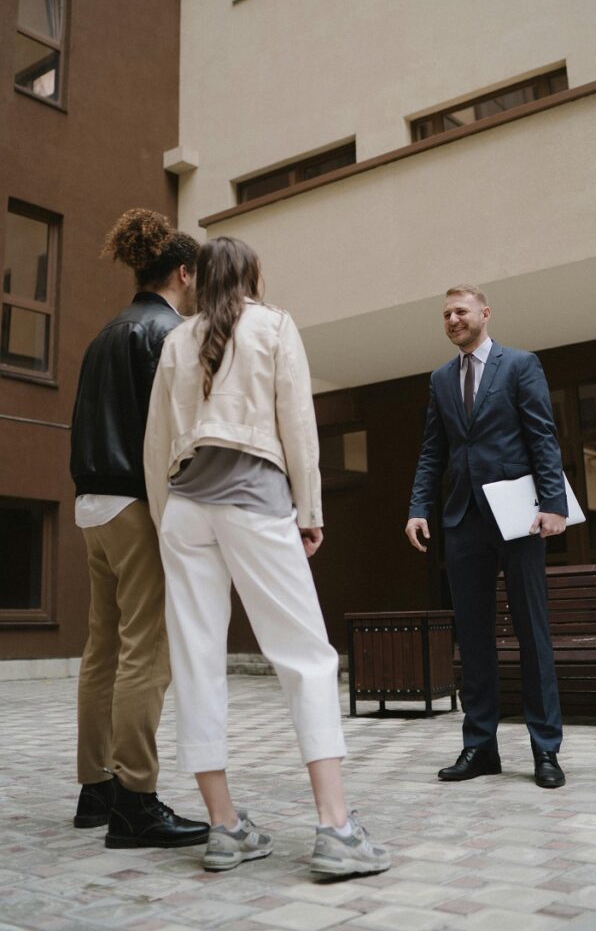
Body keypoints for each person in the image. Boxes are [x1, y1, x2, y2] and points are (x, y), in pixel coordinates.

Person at [144, 235, 390, 876]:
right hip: (255, 501)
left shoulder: (176, 340)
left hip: (184, 508)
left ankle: (224, 828)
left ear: (196, 280)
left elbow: (155, 445)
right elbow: (298, 425)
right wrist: (309, 510)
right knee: (306, 656)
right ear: (253, 276)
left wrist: (163, 519)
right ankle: (336, 829)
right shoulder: (273, 325)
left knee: (197, 661)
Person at [70, 208, 209, 847]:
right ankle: (135, 800)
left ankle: (95, 789)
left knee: (102, 651)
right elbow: (176, 434)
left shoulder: (104, 333)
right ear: (183, 271)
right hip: (134, 506)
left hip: (91, 505)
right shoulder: (167, 333)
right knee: (145, 652)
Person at [405, 284, 567, 789]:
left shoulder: (520, 365)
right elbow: (434, 450)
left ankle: (545, 750)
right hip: (463, 522)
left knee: (531, 634)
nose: (453, 319)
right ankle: (480, 748)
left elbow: (542, 434)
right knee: (473, 639)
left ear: (485, 314)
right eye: (446, 313)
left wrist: (554, 505)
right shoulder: (439, 379)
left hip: (518, 518)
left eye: (461, 311)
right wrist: (417, 508)